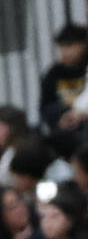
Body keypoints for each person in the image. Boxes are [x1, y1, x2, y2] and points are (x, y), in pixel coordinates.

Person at [39, 23, 86, 156]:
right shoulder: (54, 73)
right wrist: (61, 118)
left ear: (83, 45)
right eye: (62, 47)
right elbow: (45, 106)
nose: (65, 52)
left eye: (69, 46)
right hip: (64, 129)